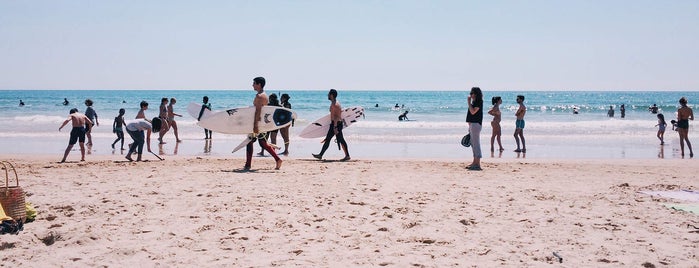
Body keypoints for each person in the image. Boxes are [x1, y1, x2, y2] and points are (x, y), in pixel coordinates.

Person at [244, 77, 282, 170]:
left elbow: (258, 111)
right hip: (262, 123)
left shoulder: (259, 96)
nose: (252, 85)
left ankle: (248, 164)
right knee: (262, 143)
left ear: (259, 84)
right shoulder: (264, 95)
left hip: (258, 123)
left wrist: (255, 125)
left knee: (250, 142)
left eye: (254, 83)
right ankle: (277, 159)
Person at [313, 89, 351, 161]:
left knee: (340, 140)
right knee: (330, 139)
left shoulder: (335, 105)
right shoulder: (335, 103)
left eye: (328, 94)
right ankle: (320, 155)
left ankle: (347, 156)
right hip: (335, 124)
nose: (327, 95)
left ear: (332, 95)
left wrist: (335, 127)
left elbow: (336, 117)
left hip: (336, 124)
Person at [466, 87, 484, 170]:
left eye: (471, 93)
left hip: (476, 124)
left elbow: (473, 112)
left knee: (476, 143)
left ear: (475, 93)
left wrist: (468, 103)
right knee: (473, 143)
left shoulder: (478, 102)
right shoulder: (475, 101)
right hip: (473, 124)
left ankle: (477, 163)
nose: (471, 95)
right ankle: (474, 162)